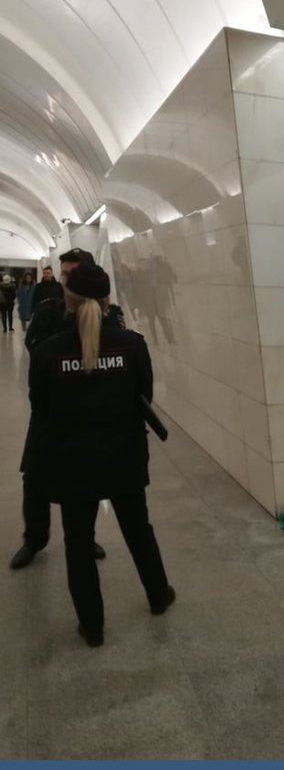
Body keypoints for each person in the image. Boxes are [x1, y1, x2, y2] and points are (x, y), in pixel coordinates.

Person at [24, 264, 174, 647]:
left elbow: (40, 413)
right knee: (139, 529)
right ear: (108, 301)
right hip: (123, 456)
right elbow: (145, 398)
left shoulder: (46, 353)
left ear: (67, 299)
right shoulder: (132, 345)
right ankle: (159, 596)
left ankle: (92, 627)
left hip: (72, 464)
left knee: (78, 541)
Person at [11, 250, 113, 570]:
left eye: (74, 273)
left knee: (86, 479)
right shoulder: (49, 310)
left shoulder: (104, 313)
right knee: (35, 477)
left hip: (87, 411)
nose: (67, 280)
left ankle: (85, 535)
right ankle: (34, 539)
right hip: (50, 410)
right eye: (64, 273)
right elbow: (34, 348)